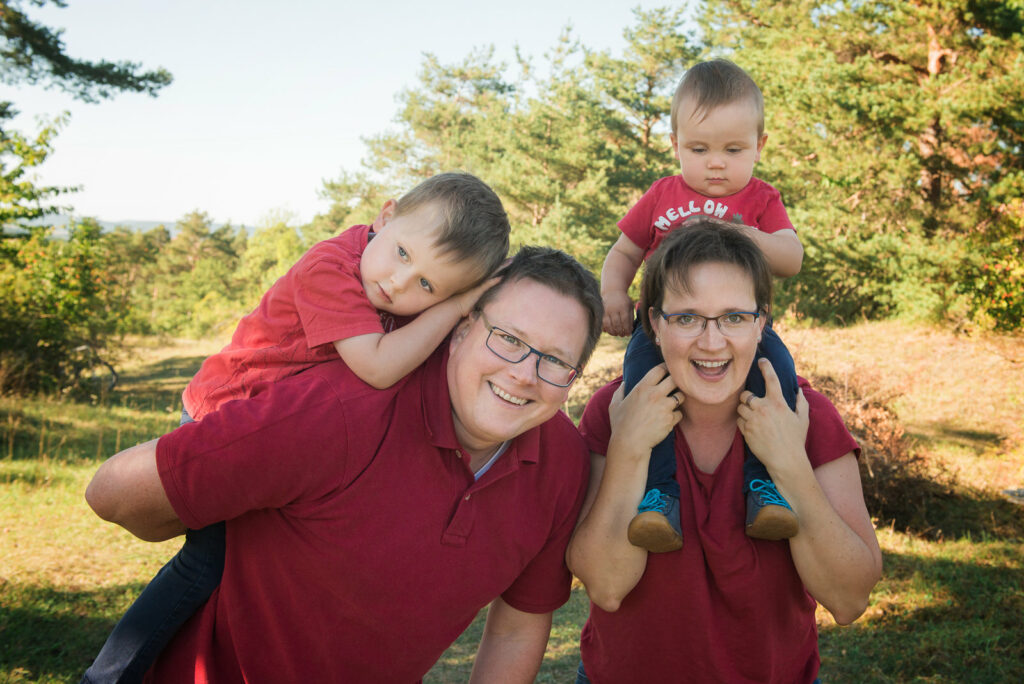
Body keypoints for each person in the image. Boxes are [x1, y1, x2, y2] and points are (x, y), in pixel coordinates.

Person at [84, 245, 603, 683]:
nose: (524, 374)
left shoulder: (562, 465)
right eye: (509, 339)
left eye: (555, 360)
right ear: (462, 328)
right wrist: (209, 535)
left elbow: (516, 626)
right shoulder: (338, 411)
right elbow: (112, 493)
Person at [568, 220, 882, 683]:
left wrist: (789, 462)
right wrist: (629, 449)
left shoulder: (807, 414)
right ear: (654, 322)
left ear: (762, 322)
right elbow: (608, 587)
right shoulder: (614, 412)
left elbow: (850, 600)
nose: (711, 343)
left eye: (735, 317)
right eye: (687, 317)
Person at [599, 58, 806, 553]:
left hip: (743, 332)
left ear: (760, 146)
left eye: (733, 149)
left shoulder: (760, 198)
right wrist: (612, 294)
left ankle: (766, 487)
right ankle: (657, 495)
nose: (716, 162)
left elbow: (791, 257)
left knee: (778, 373)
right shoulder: (661, 195)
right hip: (661, 332)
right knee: (643, 392)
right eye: (699, 148)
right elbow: (624, 251)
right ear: (675, 145)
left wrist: (739, 231)